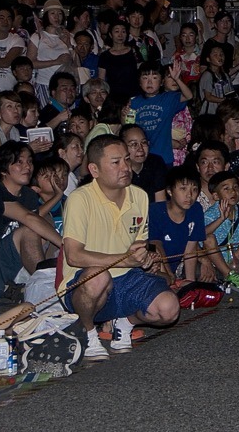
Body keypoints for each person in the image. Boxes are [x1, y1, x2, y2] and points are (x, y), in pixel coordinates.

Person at [61, 134, 179, 362]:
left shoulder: (140, 196)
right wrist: (126, 259)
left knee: (169, 309)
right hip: (85, 283)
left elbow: (137, 244)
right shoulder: (80, 199)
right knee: (97, 276)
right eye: (116, 163)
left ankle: (124, 323)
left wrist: (143, 258)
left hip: (127, 277)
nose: (126, 167)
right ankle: (89, 333)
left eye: (126, 159)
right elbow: (74, 255)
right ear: (94, 170)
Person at [0, 141, 62, 300]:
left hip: (12, 275)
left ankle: (44, 286)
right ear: (4, 169)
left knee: (45, 225)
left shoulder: (29, 195)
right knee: (31, 229)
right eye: (19, 162)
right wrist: (66, 246)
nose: (27, 166)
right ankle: (46, 289)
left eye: (30, 161)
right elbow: (29, 219)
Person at [127, 60, 193, 167]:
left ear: (161, 82)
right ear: (139, 82)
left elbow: (189, 96)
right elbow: (127, 127)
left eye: (154, 78)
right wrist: (123, 116)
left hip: (164, 157)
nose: (149, 82)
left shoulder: (168, 98)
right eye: (145, 78)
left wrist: (177, 79)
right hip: (141, 157)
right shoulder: (134, 102)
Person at [148, 166, 205, 283]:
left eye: (194, 190)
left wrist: (190, 281)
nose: (189, 195)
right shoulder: (155, 211)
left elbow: (191, 249)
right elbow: (155, 244)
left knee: (200, 276)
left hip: (177, 266)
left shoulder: (196, 209)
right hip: (155, 262)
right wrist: (168, 274)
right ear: (170, 191)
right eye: (183, 189)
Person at [28, 0, 76, 104]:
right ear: (46, 16)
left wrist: (69, 45)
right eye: (52, 13)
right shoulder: (38, 36)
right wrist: (55, 62)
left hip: (65, 87)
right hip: (44, 83)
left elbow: (77, 62)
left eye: (59, 13)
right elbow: (30, 63)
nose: (56, 17)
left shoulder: (69, 37)